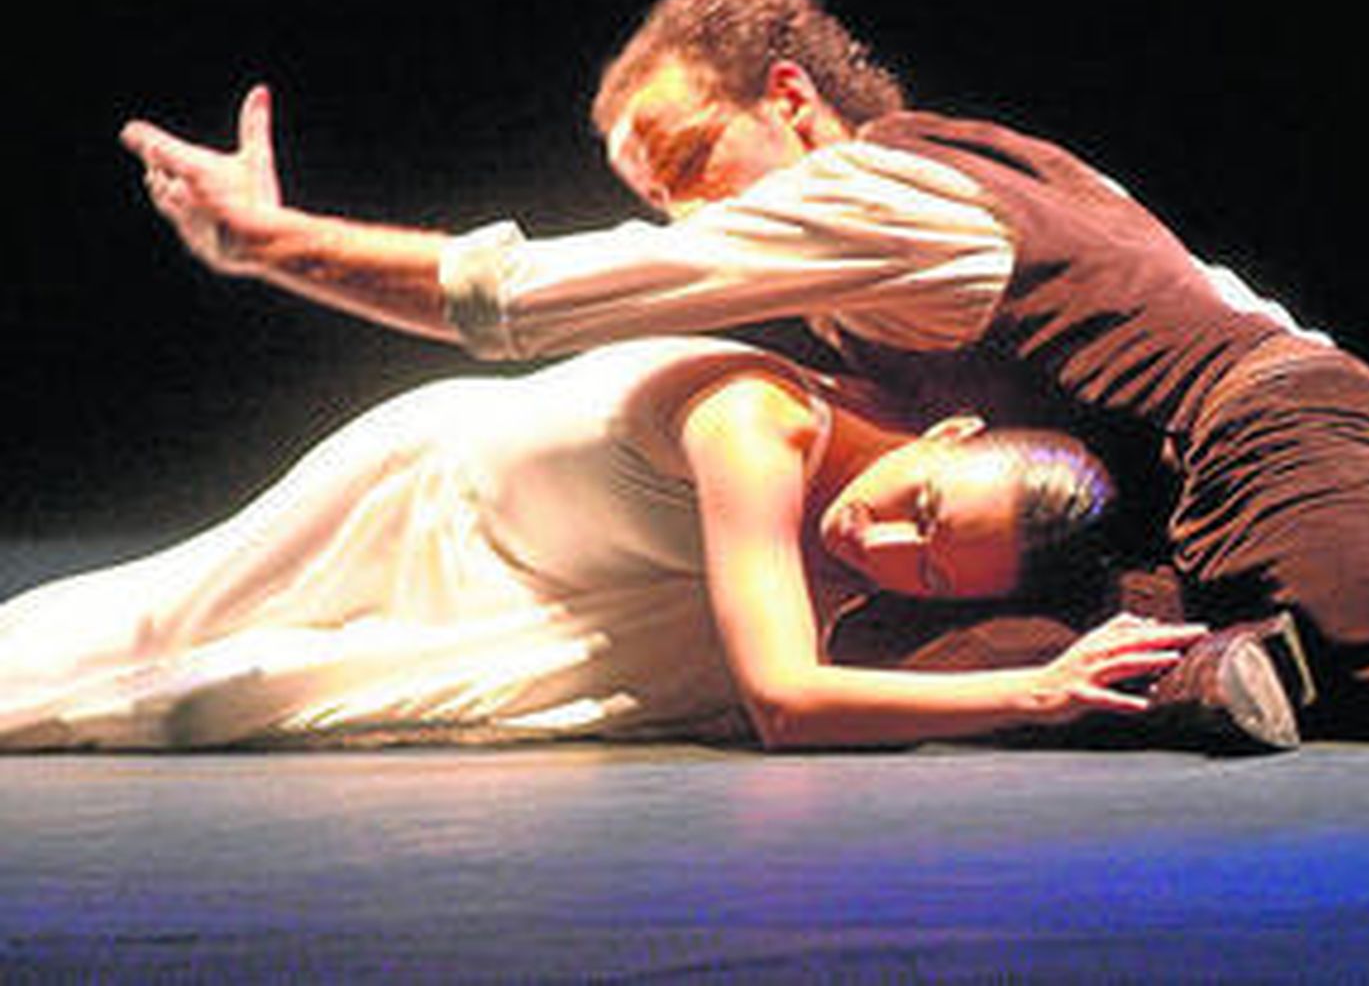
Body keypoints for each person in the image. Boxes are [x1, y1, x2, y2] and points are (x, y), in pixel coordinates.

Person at [119, 0, 1369, 743]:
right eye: (656, 192)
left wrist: (277, 246)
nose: (687, 212)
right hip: (1180, 519)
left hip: (1279, 434)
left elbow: (538, 294)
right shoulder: (906, 231)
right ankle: (1221, 671)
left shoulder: (878, 190)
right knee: (919, 652)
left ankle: (1318, 632)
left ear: (791, 98)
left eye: (692, 158)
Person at [1, 336, 1246, 753]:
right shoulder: (761, 426)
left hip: (563, 587)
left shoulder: (858, 518)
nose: (873, 537)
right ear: (947, 431)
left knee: (231, 693)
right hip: (423, 499)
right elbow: (782, 700)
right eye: (917, 506)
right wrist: (1030, 689)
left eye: (920, 568)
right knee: (150, 630)